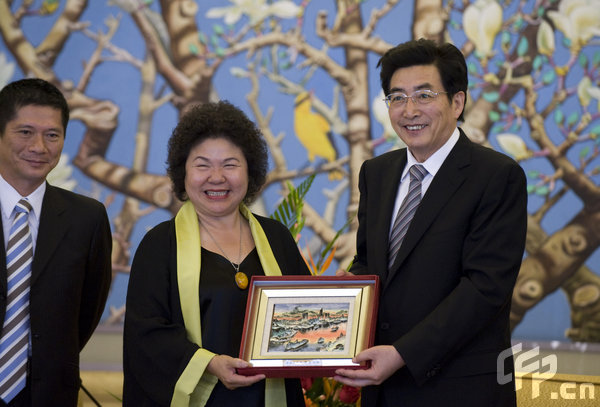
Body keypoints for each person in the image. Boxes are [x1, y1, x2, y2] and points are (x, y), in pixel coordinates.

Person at [334, 39, 527, 406]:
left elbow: (484, 289)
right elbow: (371, 262)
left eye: (424, 96)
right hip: (382, 387)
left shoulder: (497, 176)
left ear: (457, 102)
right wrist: (352, 288)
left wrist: (403, 353)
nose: (409, 111)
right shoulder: (376, 173)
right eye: (397, 98)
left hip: (458, 387)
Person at [123, 101, 310, 406]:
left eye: (230, 164)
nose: (217, 177)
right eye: (202, 165)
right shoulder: (159, 245)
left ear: (250, 171)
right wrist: (208, 363)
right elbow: (146, 336)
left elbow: (304, 313)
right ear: (182, 173)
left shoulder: (276, 237)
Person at [0, 78, 112, 406]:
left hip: (49, 394)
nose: (39, 147)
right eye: (25, 132)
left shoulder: (87, 219)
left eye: (52, 135)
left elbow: (87, 311)